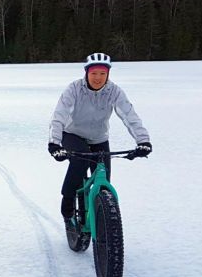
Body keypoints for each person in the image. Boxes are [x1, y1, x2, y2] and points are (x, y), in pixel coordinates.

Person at [47, 52, 152, 230]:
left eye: (102, 73)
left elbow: (129, 115)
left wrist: (143, 140)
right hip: (72, 134)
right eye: (94, 73)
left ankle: (102, 223)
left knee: (103, 180)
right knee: (81, 160)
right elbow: (59, 116)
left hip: (99, 138)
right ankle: (68, 203)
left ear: (108, 74)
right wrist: (54, 143)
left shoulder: (114, 91)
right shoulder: (74, 89)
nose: (98, 78)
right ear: (86, 73)